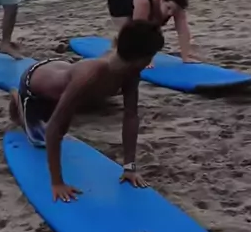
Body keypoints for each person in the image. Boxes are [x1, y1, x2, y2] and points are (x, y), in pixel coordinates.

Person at [9, 20, 165, 202]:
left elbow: (131, 116)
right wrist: (57, 183)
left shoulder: (131, 72)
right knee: (41, 139)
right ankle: (18, 100)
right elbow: (54, 127)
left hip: (62, 73)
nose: (151, 61)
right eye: (151, 55)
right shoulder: (91, 74)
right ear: (140, 58)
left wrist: (129, 167)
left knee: (76, 108)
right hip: (33, 81)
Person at [107, 0, 193, 63]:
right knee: (128, 34)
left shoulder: (177, 3)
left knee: (154, 25)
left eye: (174, 10)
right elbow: (138, 30)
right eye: (168, 8)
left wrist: (185, 57)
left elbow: (183, 32)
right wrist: (146, 59)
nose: (170, 13)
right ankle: (116, 43)